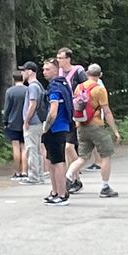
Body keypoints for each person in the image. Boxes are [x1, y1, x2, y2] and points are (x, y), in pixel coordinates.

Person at [65, 63, 121, 197]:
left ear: (86, 73)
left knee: (83, 157)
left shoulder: (79, 87)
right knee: (105, 155)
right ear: (100, 75)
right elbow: (106, 111)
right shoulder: (99, 89)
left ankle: (67, 177)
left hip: (81, 126)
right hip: (96, 126)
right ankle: (105, 187)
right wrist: (115, 131)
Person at [40, 59, 74, 205]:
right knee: (51, 160)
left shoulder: (55, 88)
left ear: (55, 70)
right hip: (61, 127)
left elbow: (53, 112)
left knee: (58, 161)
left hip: (55, 128)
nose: (44, 72)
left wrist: (46, 127)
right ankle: (55, 191)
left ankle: (61, 194)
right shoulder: (63, 84)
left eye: (47, 69)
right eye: (43, 69)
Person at [55, 47, 87, 171]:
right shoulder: (58, 73)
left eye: (61, 58)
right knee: (67, 147)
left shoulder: (78, 72)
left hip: (76, 111)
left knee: (69, 146)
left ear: (68, 59)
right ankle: (73, 176)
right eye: (57, 58)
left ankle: (74, 173)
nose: (58, 61)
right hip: (64, 112)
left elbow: (85, 92)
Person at [19, 61, 48, 185]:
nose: (22, 73)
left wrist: (26, 121)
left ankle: (34, 177)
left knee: (31, 149)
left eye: (24, 70)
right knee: (37, 150)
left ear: (30, 71)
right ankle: (39, 175)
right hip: (39, 121)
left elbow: (32, 104)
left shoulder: (32, 86)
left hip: (33, 122)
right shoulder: (39, 85)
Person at [3, 71, 28, 180]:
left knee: (16, 147)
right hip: (25, 121)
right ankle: (25, 171)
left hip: (13, 122)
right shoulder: (27, 90)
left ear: (14, 79)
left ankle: (17, 172)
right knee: (24, 147)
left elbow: (7, 108)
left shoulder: (10, 91)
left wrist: (5, 120)